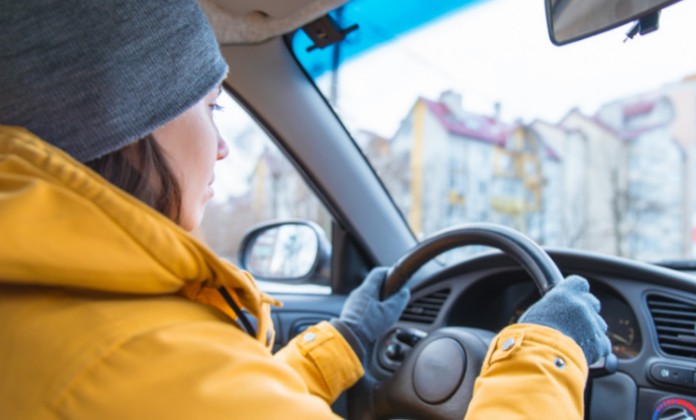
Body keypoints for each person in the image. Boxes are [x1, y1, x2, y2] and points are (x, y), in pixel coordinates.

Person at [0, 1, 610, 419]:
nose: (221, 146)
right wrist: (548, 354)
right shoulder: (137, 352)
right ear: (132, 116)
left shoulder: (60, 324)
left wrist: (344, 340)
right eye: (213, 107)